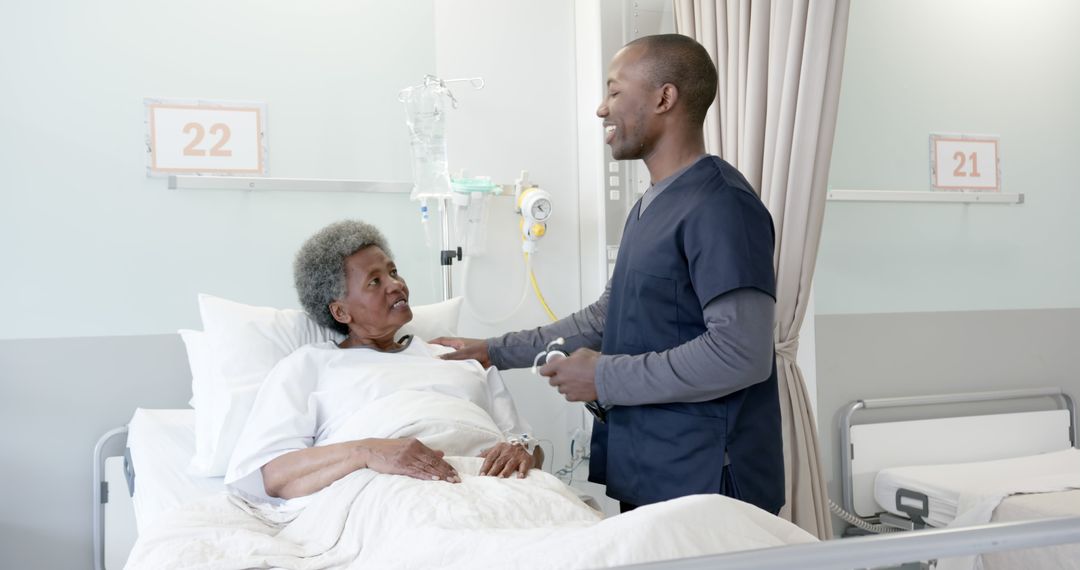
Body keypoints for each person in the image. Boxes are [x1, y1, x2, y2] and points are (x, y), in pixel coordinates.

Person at [434, 34, 783, 515]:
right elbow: (607, 316)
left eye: (615, 91)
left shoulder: (721, 206)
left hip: (708, 475)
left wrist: (604, 376)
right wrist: (493, 351)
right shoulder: (650, 206)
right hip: (651, 465)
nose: (602, 108)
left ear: (664, 98)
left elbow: (740, 354)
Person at [224, 220, 543, 503]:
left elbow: (530, 447)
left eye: (393, 271)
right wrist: (367, 451)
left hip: (495, 486)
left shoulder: (457, 357)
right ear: (341, 312)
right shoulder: (309, 366)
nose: (396, 285)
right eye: (374, 281)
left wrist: (520, 450)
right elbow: (277, 476)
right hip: (390, 490)